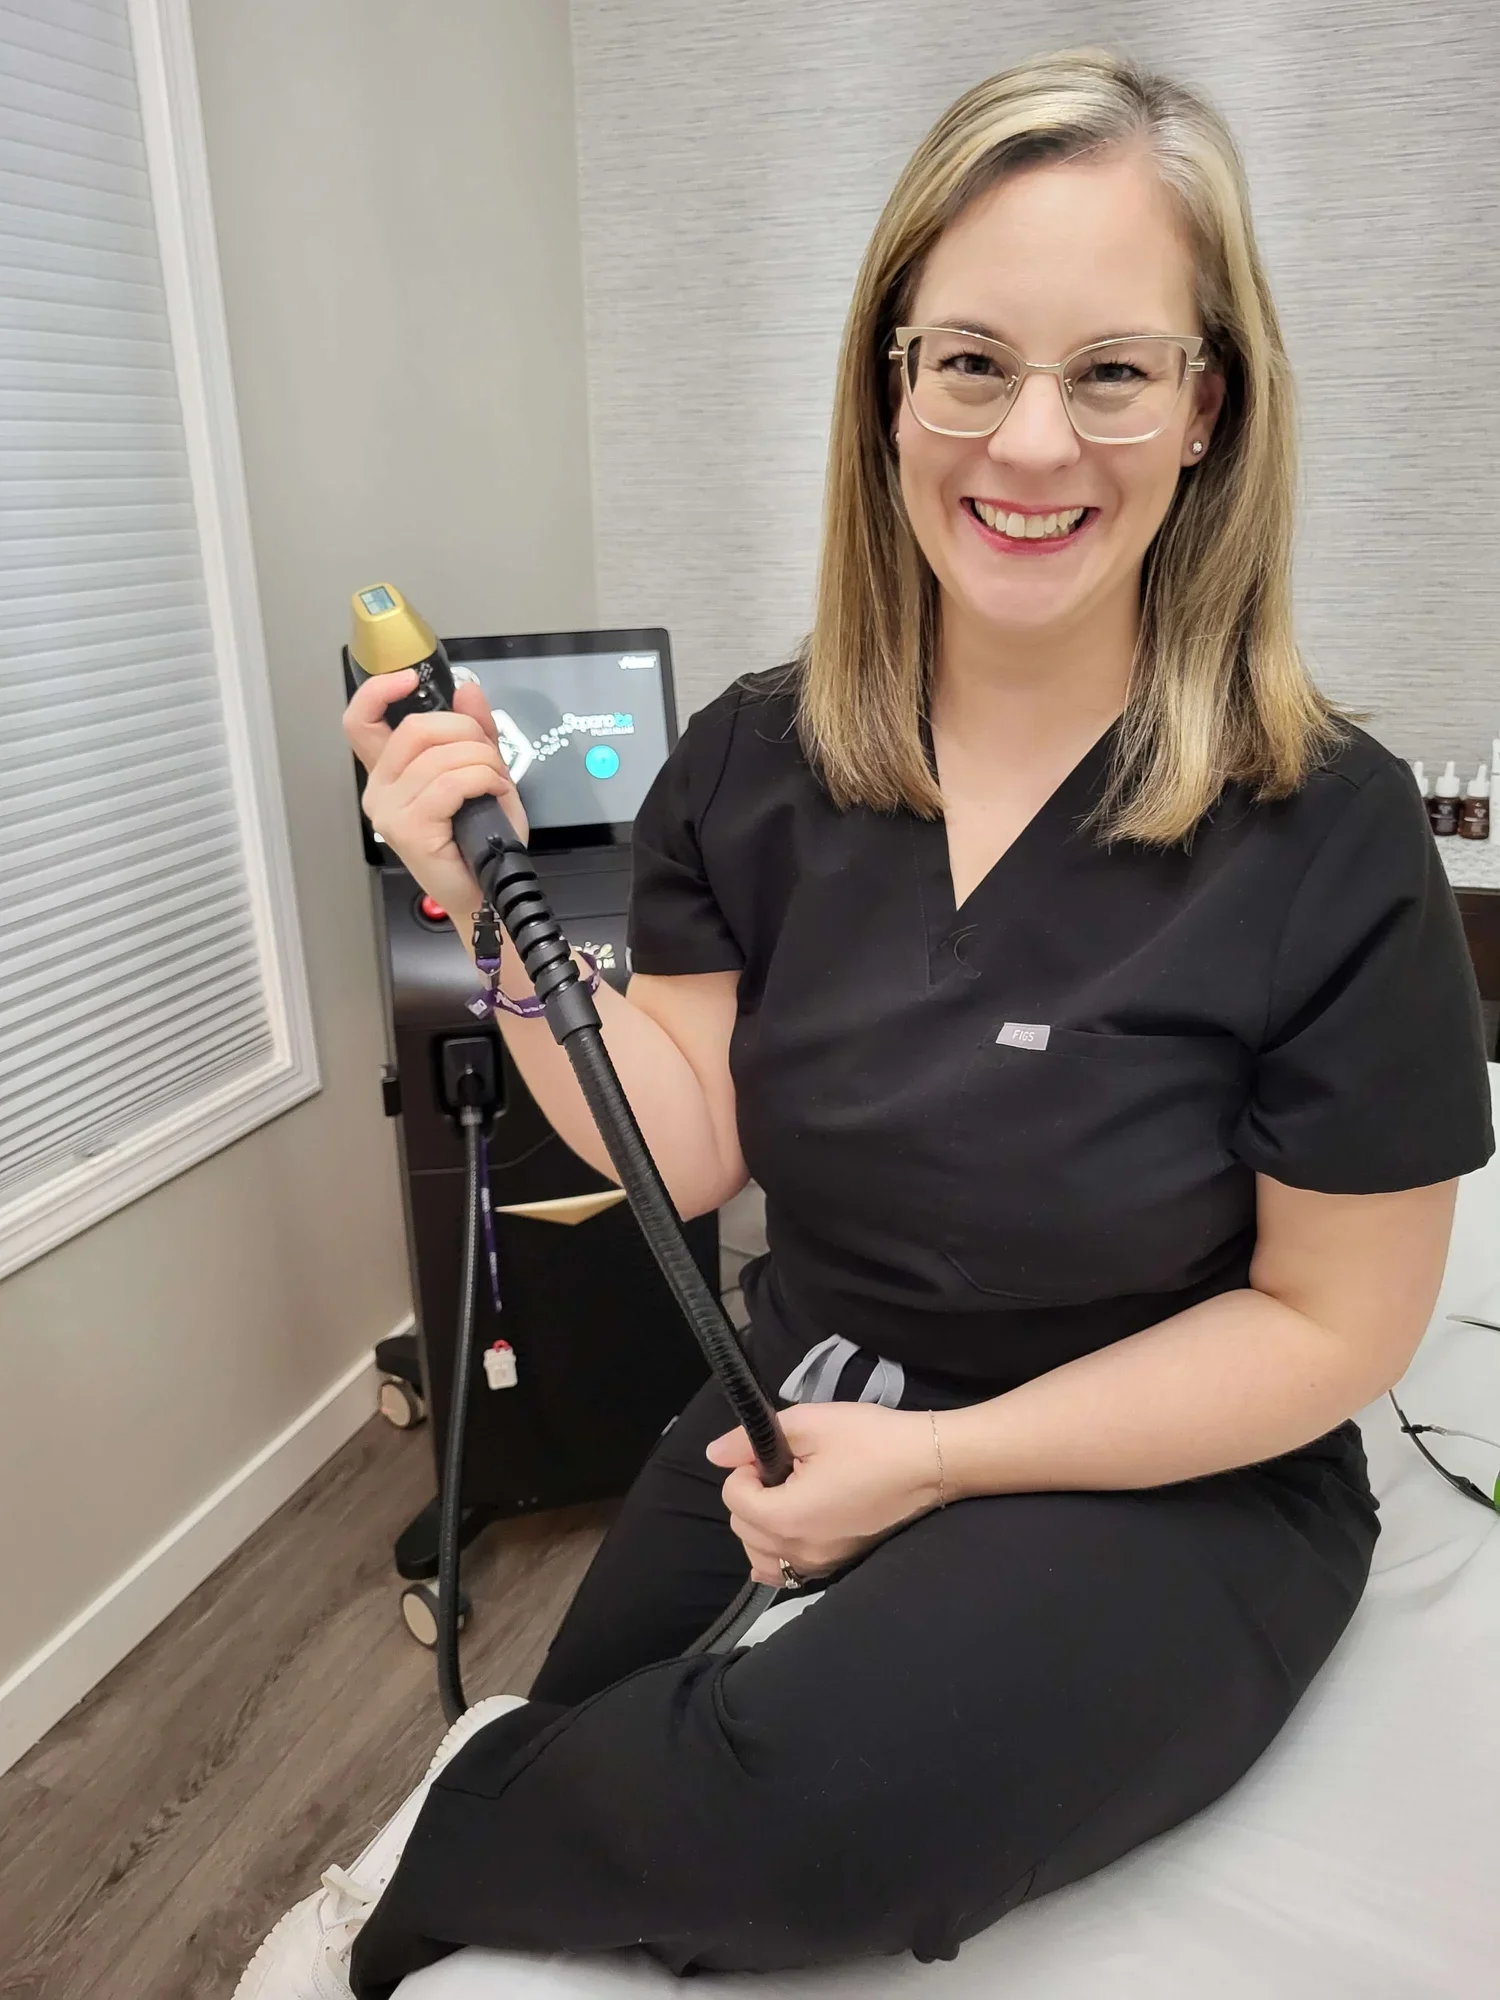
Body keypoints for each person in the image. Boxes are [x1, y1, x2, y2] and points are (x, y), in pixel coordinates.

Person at [237, 44, 1494, 2000]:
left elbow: (1335, 1326)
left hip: (1181, 1466)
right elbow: (684, 1136)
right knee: (591, 1713)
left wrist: (942, 1465)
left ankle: (428, 1879)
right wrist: (482, 906)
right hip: (808, 1383)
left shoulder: (1327, 829)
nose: (1032, 443)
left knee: (803, 1814)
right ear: (892, 385)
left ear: (1206, 407)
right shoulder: (754, 761)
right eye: (972, 361)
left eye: (1112, 370)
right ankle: (506, 1826)